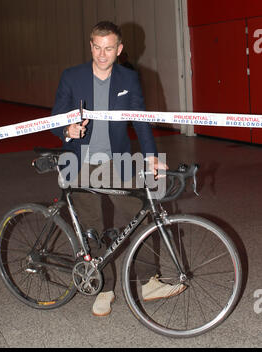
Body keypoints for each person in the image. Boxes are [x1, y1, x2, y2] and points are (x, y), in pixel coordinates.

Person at [51, 21, 185, 317]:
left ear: (119, 49)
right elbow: (54, 117)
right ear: (91, 46)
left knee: (139, 214)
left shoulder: (129, 78)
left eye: (108, 48)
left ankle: (149, 281)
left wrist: (150, 156)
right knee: (93, 229)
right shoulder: (72, 77)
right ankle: (105, 288)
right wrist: (67, 129)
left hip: (118, 160)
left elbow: (140, 118)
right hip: (80, 162)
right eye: (97, 47)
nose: (102, 54)